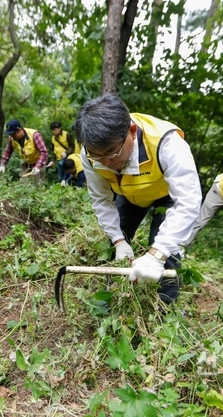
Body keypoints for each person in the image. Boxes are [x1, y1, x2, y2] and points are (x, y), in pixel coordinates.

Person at [74, 94, 201, 305]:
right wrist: (118, 240)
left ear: (132, 132)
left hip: (165, 194)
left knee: (167, 252)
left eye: (112, 152)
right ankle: (111, 298)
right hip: (129, 194)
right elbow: (101, 200)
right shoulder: (89, 154)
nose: (106, 162)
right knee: (116, 244)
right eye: (98, 155)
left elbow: (188, 200)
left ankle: (165, 307)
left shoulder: (167, 143)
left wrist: (157, 254)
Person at [0, 119, 48, 184]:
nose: (12, 137)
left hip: (38, 163)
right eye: (10, 135)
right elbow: (7, 152)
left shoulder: (34, 135)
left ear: (20, 130)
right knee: (23, 184)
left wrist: (37, 167)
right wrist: (2, 165)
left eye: (14, 134)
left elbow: (43, 152)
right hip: (25, 164)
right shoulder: (11, 138)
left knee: (38, 184)